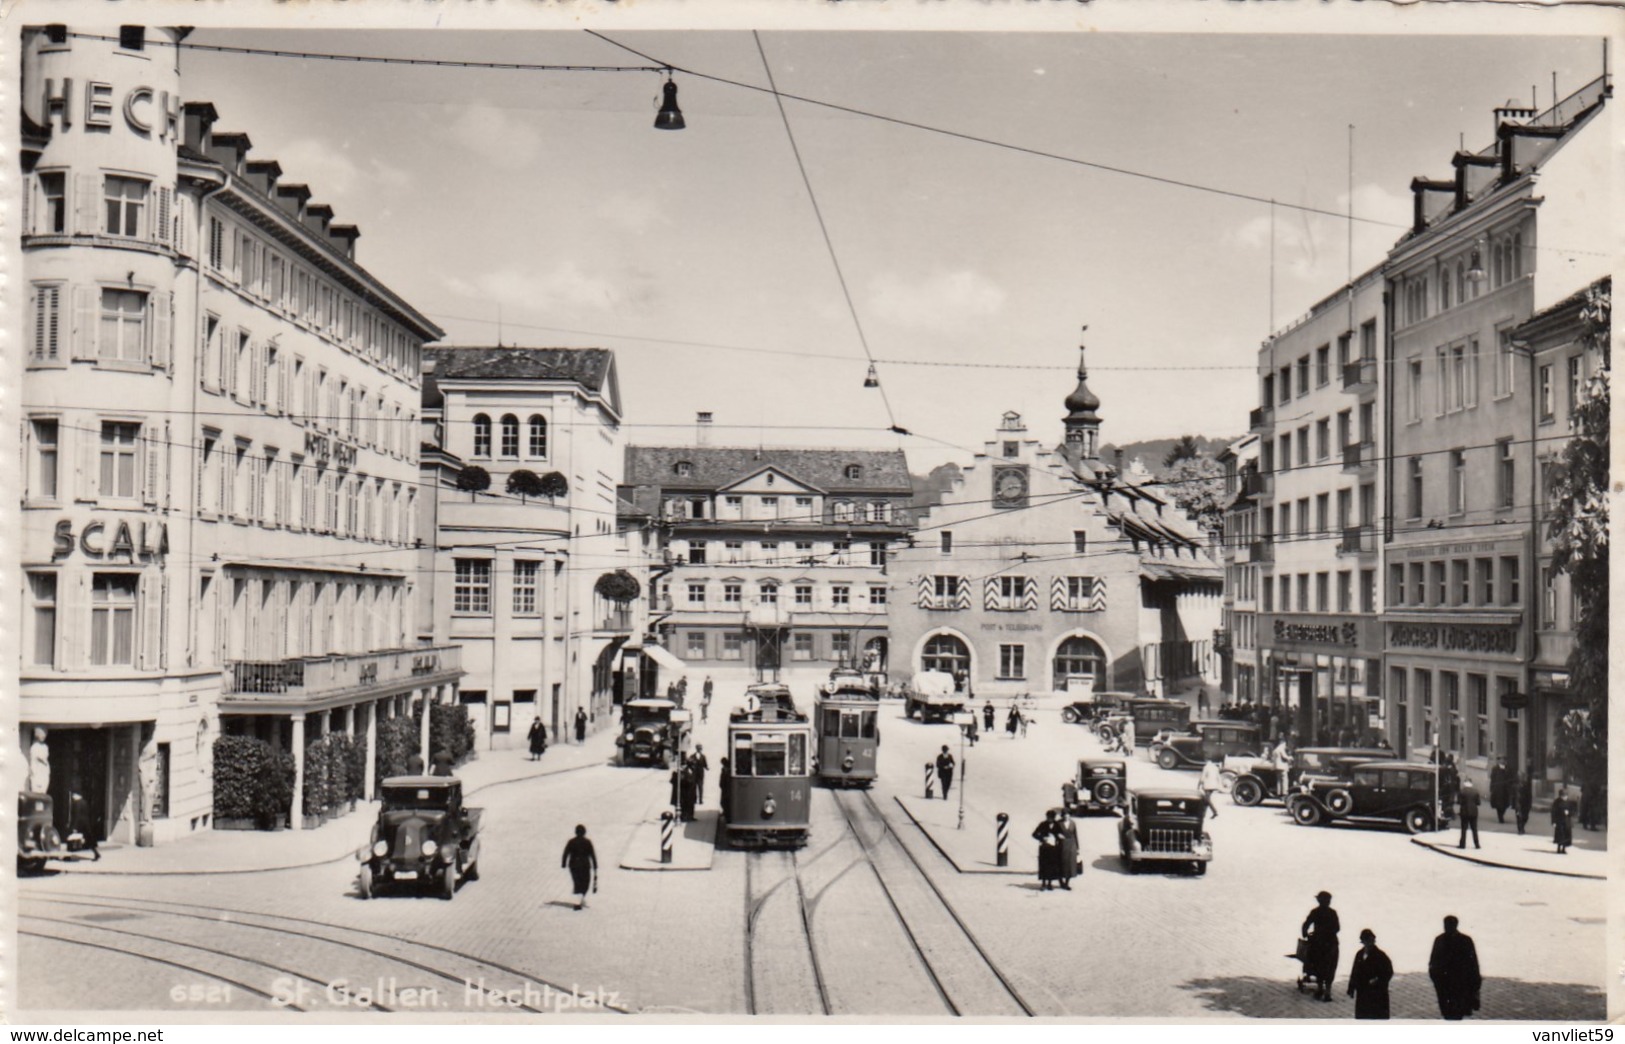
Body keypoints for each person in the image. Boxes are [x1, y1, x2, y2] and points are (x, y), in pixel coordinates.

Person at [1428, 915, 1481, 1020]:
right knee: (1456, 1013)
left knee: (1449, 1013)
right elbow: (1473, 964)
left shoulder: (1439, 940)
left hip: (1447, 984)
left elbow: (1433, 963)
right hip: (1458, 984)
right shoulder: (1465, 940)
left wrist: (1436, 979)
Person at [1301, 890, 1341, 1002]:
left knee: (1318, 965)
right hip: (1331, 942)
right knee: (1330, 966)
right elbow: (1337, 928)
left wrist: (1305, 933)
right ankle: (1327, 991)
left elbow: (1306, 924)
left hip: (1319, 943)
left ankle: (1320, 989)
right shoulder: (1332, 913)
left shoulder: (1315, 912)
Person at [1347, 928, 1393, 1019]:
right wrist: (1351, 987)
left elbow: (1389, 971)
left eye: (1371, 941)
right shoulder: (1359, 954)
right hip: (1362, 992)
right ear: (1363, 942)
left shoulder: (1381, 955)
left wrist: (1378, 980)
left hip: (1377, 994)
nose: (1369, 943)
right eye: (1366, 941)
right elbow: (1355, 971)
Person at [561, 824, 597, 911]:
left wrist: (564, 863)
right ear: (584, 832)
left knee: (577, 883)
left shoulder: (571, 841)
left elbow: (566, 853)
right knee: (585, 884)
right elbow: (592, 855)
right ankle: (579, 900)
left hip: (574, 866)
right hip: (585, 866)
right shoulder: (587, 842)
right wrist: (595, 866)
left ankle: (578, 901)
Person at [1032, 810, 1062, 890]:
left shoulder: (1057, 825)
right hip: (1044, 848)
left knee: (1052, 865)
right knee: (1043, 865)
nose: (1050, 819)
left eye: (1051, 818)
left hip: (1053, 848)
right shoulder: (1043, 824)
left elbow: (1059, 834)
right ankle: (1043, 883)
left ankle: (1049, 883)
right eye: (1048, 817)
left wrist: (1057, 837)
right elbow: (1034, 834)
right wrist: (1042, 838)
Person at [1056, 808, 1080, 890]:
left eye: (1068, 815)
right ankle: (1061, 882)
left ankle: (1066, 883)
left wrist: (1077, 848)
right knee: (1061, 864)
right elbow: (1054, 832)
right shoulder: (1059, 823)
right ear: (1062, 815)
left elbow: (1075, 835)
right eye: (1065, 815)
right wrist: (1058, 835)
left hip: (1071, 846)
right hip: (1061, 846)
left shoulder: (1073, 823)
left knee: (1070, 865)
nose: (1066, 816)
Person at [1456, 778, 1481, 849]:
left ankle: (1462, 844)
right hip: (1474, 812)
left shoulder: (1462, 791)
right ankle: (1477, 844)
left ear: (1465, 783)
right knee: (1474, 829)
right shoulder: (1476, 791)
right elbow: (1478, 803)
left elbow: (1459, 802)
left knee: (1464, 829)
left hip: (1464, 812)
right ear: (1471, 783)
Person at [1551, 786, 1573, 854]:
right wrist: (1554, 822)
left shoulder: (1569, 802)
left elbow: (1573, 811)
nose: (1564, 797)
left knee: (1566, 836)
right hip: (1559, 821)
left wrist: (1569, 812)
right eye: (1563, 796)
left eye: (1565, 796)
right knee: (1560, 835)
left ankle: (1564, 849)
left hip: (1567, 822)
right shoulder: (1557, 802)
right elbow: (1553, 812)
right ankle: (1558, 848)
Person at [1488, 757, 1511, 823]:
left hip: (1505, 790)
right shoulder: (1495, 769)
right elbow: (1493, 779)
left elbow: (1509, 777)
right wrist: (1492, 788)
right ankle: (1500, 817)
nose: (1502, 761)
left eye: (1503, 760)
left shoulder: (1507, 768)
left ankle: (1501, 814)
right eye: (1500, 760)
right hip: (1497, 789)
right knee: (1498, 805)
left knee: (1505, 804)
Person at [1515, 770, 1533, 835]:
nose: (1520, 778)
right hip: (1518, 803)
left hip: (1525, 804)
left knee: (1525, 817)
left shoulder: (1526, 785)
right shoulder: (1516, 785)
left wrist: (1530, 804)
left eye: (1521, 776)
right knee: (1519, 816)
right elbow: (1513, 795)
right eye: (1519, 776)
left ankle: (1522, 826)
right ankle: (1520, 829)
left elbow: (1529, 796)